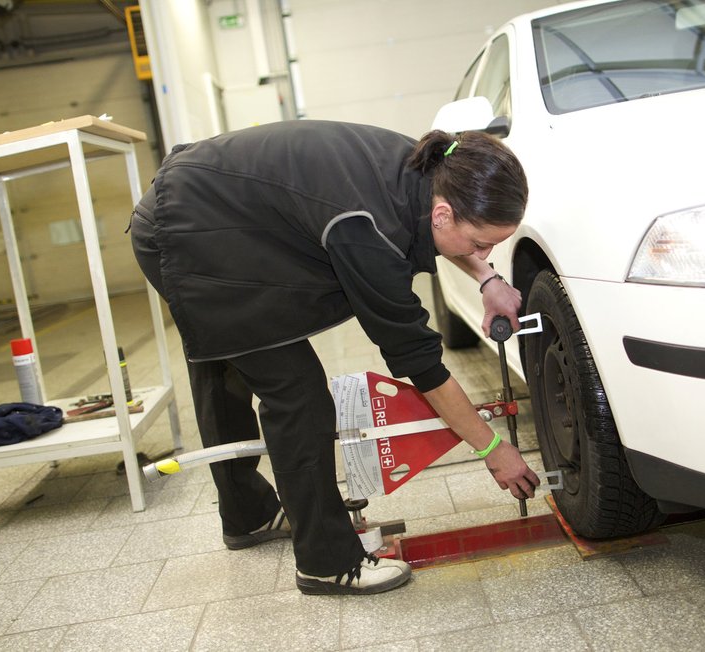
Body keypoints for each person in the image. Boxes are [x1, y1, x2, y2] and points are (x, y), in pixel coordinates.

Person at [129, 120, 539, 595]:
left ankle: (247, 515)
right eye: (481, 245)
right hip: (189, 230)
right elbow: (421, 363)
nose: (484, 254)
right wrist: (492, 450)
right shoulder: (369, 230)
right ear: (444, 215)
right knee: (297, 395)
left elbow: (451, 231)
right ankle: (325, 561)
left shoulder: (433, 168)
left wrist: (487, 279)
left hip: (205, 205)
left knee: (231, 360)